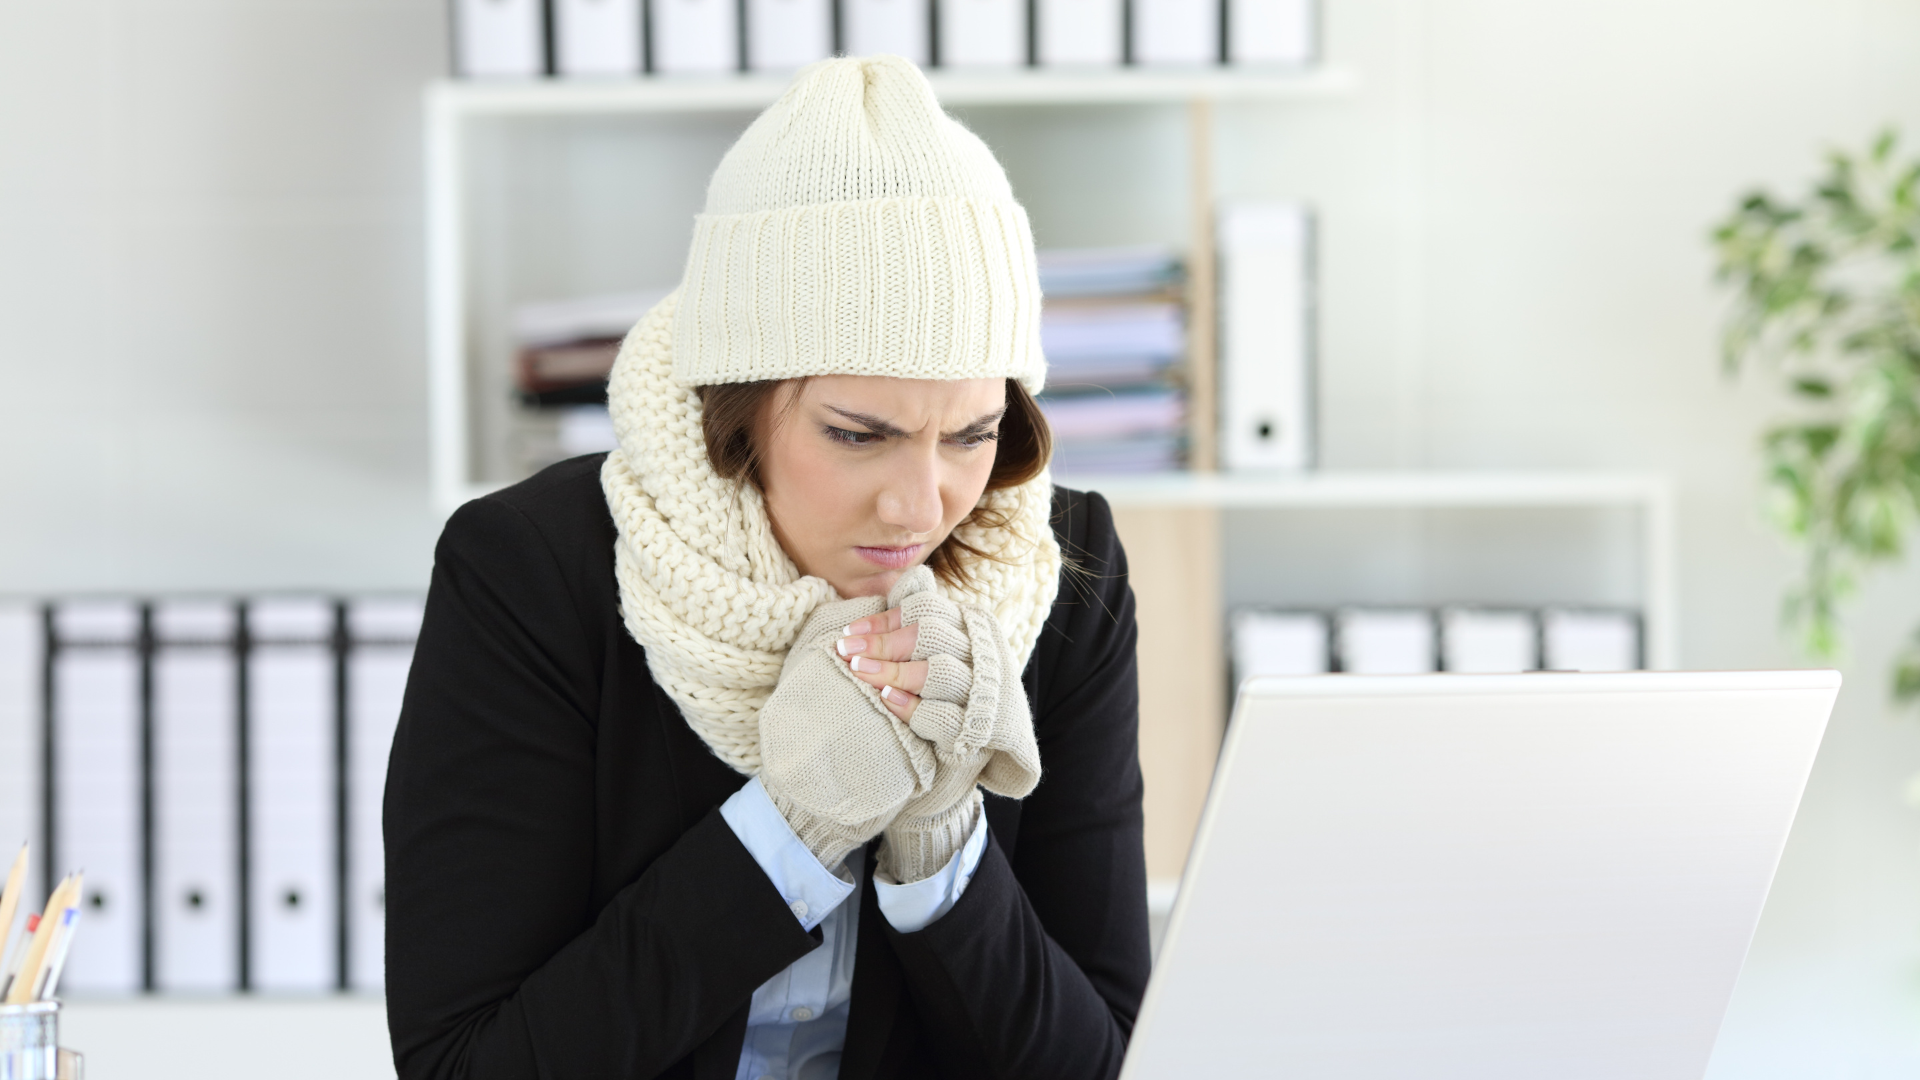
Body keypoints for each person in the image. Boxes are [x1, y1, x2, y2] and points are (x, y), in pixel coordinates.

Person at [383, 54, 1149, 1080]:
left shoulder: (1059, 578)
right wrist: (794, 826)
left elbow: (1100, 1062)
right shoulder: (531, 575)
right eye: (857, 433)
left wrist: (939, 849)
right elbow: (466, 1066)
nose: (921, 507)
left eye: (969, 435)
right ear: (737, 409)